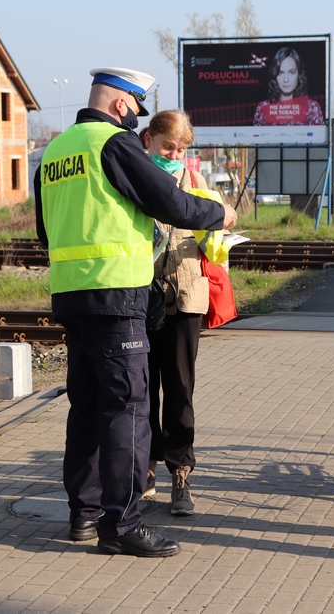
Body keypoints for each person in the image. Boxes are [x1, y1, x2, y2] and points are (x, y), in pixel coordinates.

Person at [34, 67, 238, 558]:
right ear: (124, 105)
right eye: (134, 109)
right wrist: (220, 215)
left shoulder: (55, 151)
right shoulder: (114, 144)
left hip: (71, 296)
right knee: (127, 408)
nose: (133, 118)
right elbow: (167, 201)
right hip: (117, 296)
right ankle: (122, 524)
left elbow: (45, 231)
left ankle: (83, 515)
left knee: (84, 407)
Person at [139, 110, 215, 517]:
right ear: (149, 139)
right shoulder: (135, 176)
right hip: (143, 294)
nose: (175, 154)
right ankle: (144, 469)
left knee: (181, 390)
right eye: (169, 146)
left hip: (186, 297)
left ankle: (181, 474)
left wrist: (216, 235)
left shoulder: (196, 182)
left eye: (182, 149)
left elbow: (214, 236)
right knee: (144, 389)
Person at [253, 47, 324, 126]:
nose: (286, 79)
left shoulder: (312, 108)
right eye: (281, 73)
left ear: (299, 74)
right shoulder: (263, 108)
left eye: (291, 72)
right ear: (275, 75)